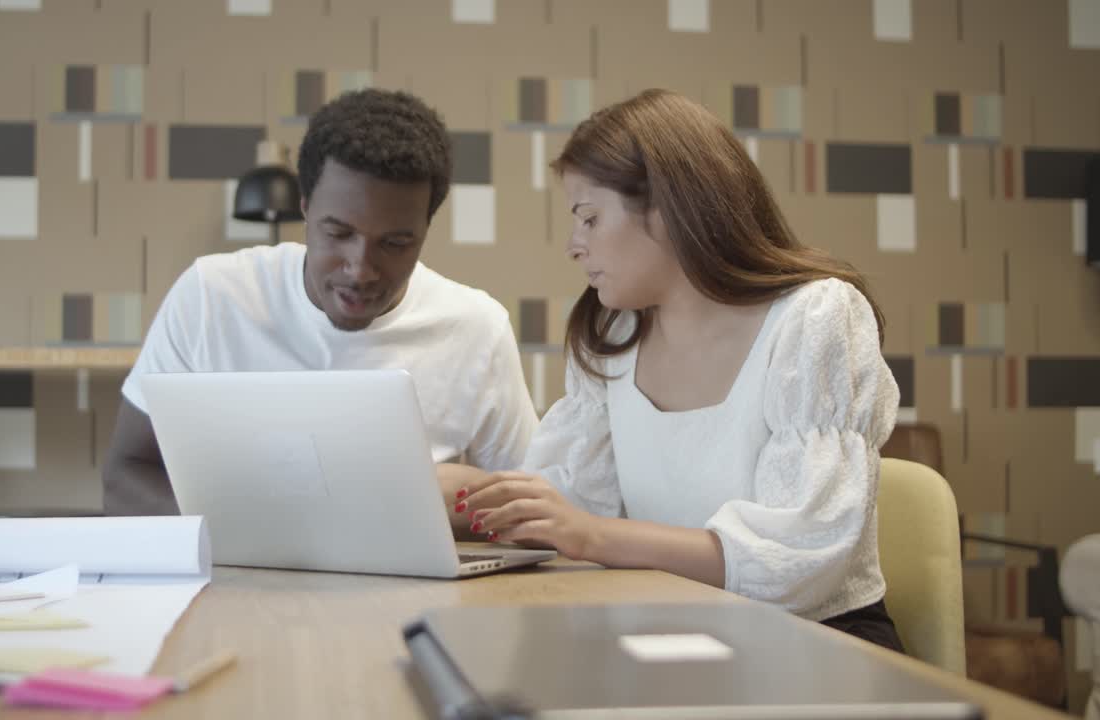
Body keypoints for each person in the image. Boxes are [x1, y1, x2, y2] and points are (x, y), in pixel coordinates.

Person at [448, 89, 905, 649]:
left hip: (815, 640)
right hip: (672, 626)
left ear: (667, 212)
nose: (574, 246)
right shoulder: (612, 335)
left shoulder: (815, 316)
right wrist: (460, 498)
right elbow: (571, 508)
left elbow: (799, 560)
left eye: (589, 218)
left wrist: (594, 536)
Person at [104, 89, 538, 524]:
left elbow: (535, 508)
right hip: (232, 564)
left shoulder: (477, 329)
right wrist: (245, 535)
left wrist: (453, 504)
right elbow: (126, 473)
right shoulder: (210, 297)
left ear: (425, 229)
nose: (360, 270)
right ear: (306, 209)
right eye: (338, 233)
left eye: (395, 243)